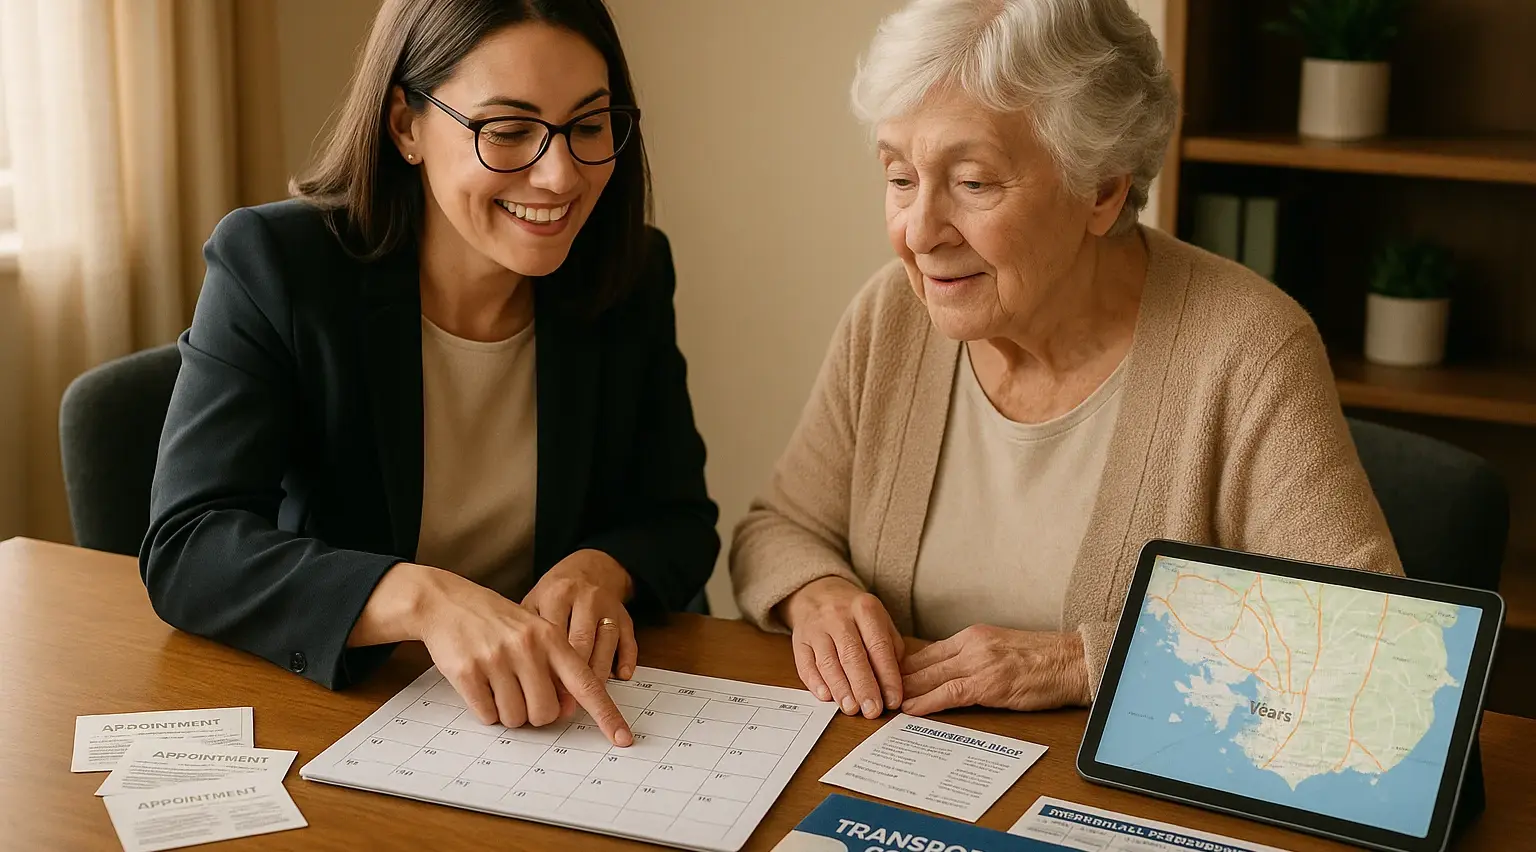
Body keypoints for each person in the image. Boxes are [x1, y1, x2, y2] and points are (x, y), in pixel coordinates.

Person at [730, 0, 1401, 721]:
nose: (919, 233)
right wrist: (819, 593)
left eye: (973, 182)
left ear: (1102, 189)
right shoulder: (893, 314)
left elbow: (1372, 649)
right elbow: (778, 529)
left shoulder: (1247, 350)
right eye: (899, 178)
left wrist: (1083, 662)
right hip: (909, 776)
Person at [141, 0, 720, 748]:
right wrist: (423, 599)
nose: (558, 176)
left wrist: (602, 568)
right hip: (351, 711)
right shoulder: (277, 265)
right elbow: (190, 545)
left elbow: (679, 519)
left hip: (551, 725)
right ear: (405, 126)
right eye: (508, 131)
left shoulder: (630, 274)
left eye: (587, 125)